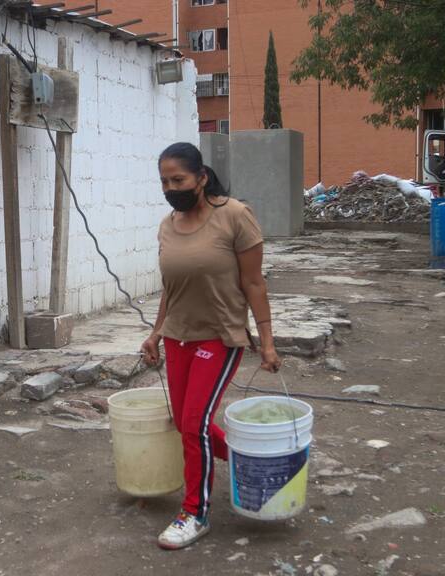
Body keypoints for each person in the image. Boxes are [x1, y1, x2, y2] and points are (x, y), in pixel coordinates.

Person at [141, 142, 281, 550]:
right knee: (188, 424)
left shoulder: (235, 216)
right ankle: (252, 463)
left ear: (201, 178)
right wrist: (156, 332)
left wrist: (268, 342)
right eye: (165, 181)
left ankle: (195, 513)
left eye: (178, 180)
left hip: (220, 337)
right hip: (177, 336)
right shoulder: (168, 225)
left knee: (195, 425)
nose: (171, 188)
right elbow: (172, 288)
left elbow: (254, 283)